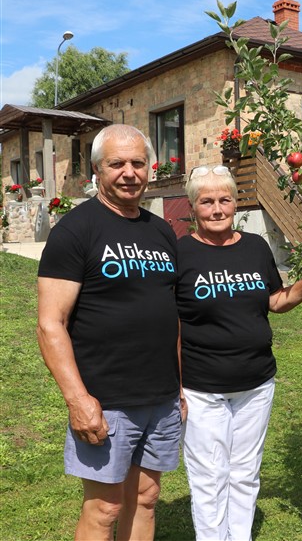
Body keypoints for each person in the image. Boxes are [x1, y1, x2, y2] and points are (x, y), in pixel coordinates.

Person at [36, 124, 182, 541]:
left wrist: (180, 386)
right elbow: (50, 324)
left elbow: (168, 313)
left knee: (148, 497)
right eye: (117, 163)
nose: (129, 172)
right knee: (105, 508)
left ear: (150, 168)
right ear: (97, 170)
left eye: (138, 163)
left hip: (161, 397)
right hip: (106, 401)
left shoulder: (160, 231)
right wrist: (78, 400)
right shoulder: (75, 230)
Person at [177, 165, 302, 541]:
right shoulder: (179, 253)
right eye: (207, 201)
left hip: (256, 383)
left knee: (245, 470)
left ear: (235, 203)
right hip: (201, 387)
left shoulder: (255, 247)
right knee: (209, 475)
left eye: (224, 200)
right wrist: (174, 385)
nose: (217, 209)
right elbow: (169, 325)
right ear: (193, 207)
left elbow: (275, 300)